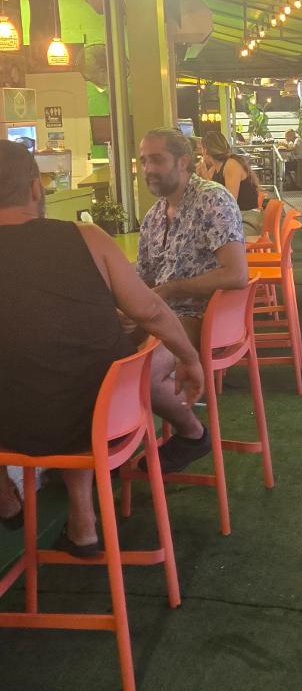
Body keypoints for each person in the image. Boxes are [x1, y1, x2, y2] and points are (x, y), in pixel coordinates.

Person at [0, 140, 205, 556]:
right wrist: (189, 357)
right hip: (107, 420)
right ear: (37, 188)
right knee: (80, 361)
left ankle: (7, 500)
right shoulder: (87, 237)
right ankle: (83, 523)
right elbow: (151, 310)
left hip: (16, 431)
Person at [198, 128, 260, 212]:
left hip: (246, 214)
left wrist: (205, 176)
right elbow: (209, 196)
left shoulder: (231, 164)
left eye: (201, 149)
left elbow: (230, 203)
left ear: (205, 151)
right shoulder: (214, 169)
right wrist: (200, 178)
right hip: (231, 215)